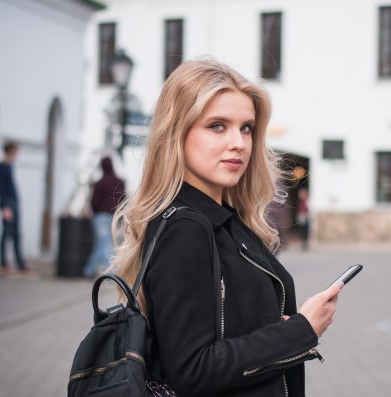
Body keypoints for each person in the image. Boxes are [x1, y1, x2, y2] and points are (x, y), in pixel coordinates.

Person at [110, 59, 341, 396]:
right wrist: (301, 331)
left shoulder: (225, 219)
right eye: (217, 126)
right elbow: (192, 369)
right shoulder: (186, 227)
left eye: (246, 127)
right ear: (178, 132)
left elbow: (225, 331)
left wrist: (272, 328)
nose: (239, 143)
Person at [0, 141, 35, 278]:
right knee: (6, 233)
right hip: (8, 204)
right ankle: (3, 263)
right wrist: (4, 207)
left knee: (17, 234)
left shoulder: (10, 166)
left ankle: (20, 263)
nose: (16, 155)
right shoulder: (0, 167)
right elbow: (0, 189)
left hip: (14, 203)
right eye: (15, 152)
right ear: (9, 151)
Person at [82, 156, 125, 278]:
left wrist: (95, 212)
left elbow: (94, 202)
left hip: (100, 216)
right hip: (115, 216)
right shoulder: (119, 181)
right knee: (104, 243)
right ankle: (94, 270)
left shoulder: (99, 183)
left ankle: (92, 270)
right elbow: (123, 198)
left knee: (102, 243)